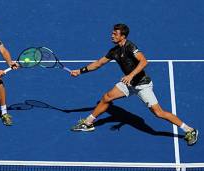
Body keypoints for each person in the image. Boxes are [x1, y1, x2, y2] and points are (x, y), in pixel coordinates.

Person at [70, 24, 198, 146]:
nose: (112, 35)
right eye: (112, 33)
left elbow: (144, 61)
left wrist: (130, 75)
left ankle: (189, 130)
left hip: (142, 85)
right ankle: (88, 123)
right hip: (128, 83)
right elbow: (98, 63)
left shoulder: (131, 47)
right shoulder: (114, 51)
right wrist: (80, 71)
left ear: (123, 36)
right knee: (107, 97)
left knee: (158, 113)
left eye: (115, 34)